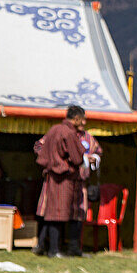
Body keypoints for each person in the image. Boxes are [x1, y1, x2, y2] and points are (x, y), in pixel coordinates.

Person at [34, 105, 87, 257]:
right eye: (82, 119)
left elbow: (42, 152)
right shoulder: (68, 133)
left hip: (51, 176)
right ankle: (54, 250)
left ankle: (45, 247)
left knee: (51, 212)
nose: (83, 123)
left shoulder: (53, 130)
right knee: (58, 214)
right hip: (63, 177)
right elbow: (77, 158)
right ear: (76, 118)